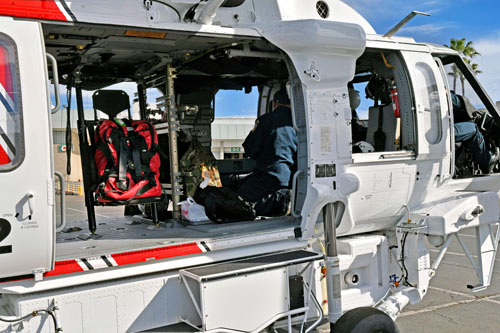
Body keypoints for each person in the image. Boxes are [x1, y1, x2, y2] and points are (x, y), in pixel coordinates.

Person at [238, 88, 298, 216]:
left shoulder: (266, 120)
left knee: (240, 197)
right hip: (294, 179)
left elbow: (250, 150)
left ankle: (281, 201)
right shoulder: (300, 123)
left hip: (269, 178)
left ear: (274, 104)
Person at [452, 92, 499, 174]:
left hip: (439, 131)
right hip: (441, 133)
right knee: (474, 130)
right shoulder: (445, 97)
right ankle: (487, 161)